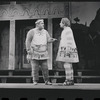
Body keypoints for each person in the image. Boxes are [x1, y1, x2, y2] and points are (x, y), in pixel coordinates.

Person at [25, 19, 57, 85]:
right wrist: (28, 50)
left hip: (43, 52)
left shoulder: (45, 32)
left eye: (43, 23)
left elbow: (48, 39)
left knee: (45, 68)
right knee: (35, 68)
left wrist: (51, 40)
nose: (43, 24)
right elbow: (28, 41)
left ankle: (46, 80)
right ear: (37, 24)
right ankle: (35, 80)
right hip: (35, 52)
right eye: (42, 23)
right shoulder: (31, 32)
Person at [56, 18, 79, 85]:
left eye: (61, 22)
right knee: (69, 65)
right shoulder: (66, 30)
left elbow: (69, 41)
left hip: (68, 50)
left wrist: (67, 50)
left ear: (64, 23)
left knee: (67, 64)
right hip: (67, 49)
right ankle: (70, 79)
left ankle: (68, 80)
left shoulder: (67, 30)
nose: (60, 24)